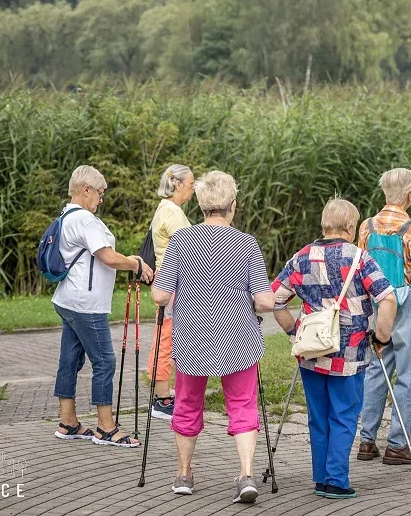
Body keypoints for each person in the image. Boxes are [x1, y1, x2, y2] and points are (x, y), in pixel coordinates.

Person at [151, 170, 275, 503]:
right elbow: (264, 301)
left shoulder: (181, 241)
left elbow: (160, 296)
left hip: (192, 338)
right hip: (239, 339)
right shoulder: (246, 243)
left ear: (202, 206)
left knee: (187, 404)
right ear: (232, 205)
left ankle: (184, 475)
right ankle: (246, 474)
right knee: (243, 405)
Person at [272, 198, 398, 499]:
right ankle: (336, 481)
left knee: (318, 415)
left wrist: (294, 332)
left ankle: (320, 478)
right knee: (343, 414)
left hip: (311, 353)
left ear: (324, 224)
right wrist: (380, 339)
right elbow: (388, 299)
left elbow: (275, 299)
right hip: (350, 353)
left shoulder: (301, 257)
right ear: (351, 227)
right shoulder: (360, 258)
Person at [51, 165, 153, 447]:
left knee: (70, 360)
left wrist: (129, 259)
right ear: (86, 190)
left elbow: (96, 256)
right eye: (100, 192)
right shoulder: (84, 219)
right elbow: (107, 258)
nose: (101, 199)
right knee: (105, 361)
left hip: (68, 300)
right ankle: (106, 428)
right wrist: (138, 264)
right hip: (86, 304)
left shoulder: (67, 216)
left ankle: (68, 421)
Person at [357, 168, 411, 466]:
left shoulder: (366, 227)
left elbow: (363, 268)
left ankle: (367, 441)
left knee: (376, 369)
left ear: (384, 193)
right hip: (409, 302)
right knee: (410, 374)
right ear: (410, 195)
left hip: (378, 303)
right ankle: (398, 444)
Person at [146, 164, 195, 421]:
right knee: (166, 338)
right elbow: (189, 250)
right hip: (173, 285)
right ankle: (162, 398)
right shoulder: (172, 212)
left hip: (168, 282)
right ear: (177, 184)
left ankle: (163, 392)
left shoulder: (165, 209)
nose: (193, 188)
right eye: (190, 183)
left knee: (164, 336)